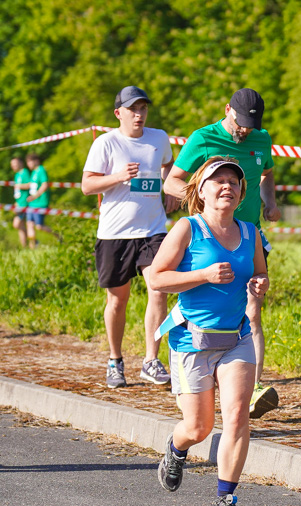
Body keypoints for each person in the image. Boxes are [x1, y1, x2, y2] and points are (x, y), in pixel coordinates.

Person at [151, 157, 269, 506]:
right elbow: (156, 278)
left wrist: (260, 286)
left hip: (237, 338)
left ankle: (226, 499)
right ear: (200, 190)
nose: (227, 186)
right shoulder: (188, 229)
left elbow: (261, 274)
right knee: (199, 428)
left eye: (234, 181)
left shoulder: (250, 233)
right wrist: (202, 274)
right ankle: (176, 449)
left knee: (237, 417)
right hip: (192, 340)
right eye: (218, 181)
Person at [164, 88, 280, 419]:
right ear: (227, 110)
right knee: (208, 314)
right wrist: (202, 201)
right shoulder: (203, 139)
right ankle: (194, 381)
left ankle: (250, 393)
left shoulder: (261, 139)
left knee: (252, 312)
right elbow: (172, 181)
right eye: (241, 123)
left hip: (249, 238)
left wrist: (269, 201)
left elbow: (268, 173)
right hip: (208, 239)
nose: (245, 130)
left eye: (252, 125)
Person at [81, 86, 175, 389]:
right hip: (115, 234)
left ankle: (151, 360)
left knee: (158, 289)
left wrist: (170, 189)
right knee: (118, 300)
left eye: (144, 108)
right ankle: (115, 360)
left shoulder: (158, 138)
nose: (139, 114)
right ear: (118, 113)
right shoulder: (106, 143)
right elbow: (87, 186)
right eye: (133, 109)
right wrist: (118, 177)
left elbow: (169, 165)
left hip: (153, 230)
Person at [24, 153, 59, 248]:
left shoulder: (41, 170)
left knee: (39, 226)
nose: (28, 165)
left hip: (40, 203)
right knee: (29, 224)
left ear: (36, 161)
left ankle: (58, 236)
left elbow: (45, 185)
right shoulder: (33, 172)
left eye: (29, 162)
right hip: (32, 203)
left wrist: (35, 196)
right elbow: (31, 185)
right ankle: (32, 247)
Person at [10, 157, 30, 248]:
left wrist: (19, 186)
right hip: (19, 203)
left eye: (15, 164)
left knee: (17, 224)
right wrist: (16, 203)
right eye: (12, 165)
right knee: (21, 226)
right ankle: (24, 246)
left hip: (24, 204)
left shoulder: (25, 172)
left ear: (20, 163)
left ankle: (33, 242)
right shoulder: (16, 175)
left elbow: (30, 185)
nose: (13, 166)